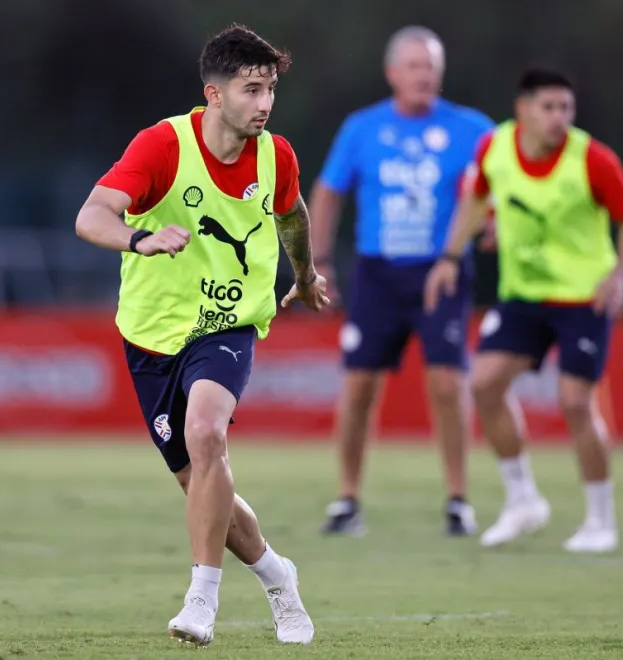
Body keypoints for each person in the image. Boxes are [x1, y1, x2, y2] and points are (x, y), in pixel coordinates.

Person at [75, 24, 326, 646]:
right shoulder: (162, 146)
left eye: (270, 89)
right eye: (250, 89)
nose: (264, 103)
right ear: (214, 94)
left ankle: (201, 599)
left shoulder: (277, 155)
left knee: (207, 430)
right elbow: (90, 216)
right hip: (152, 336)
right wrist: (142, 238)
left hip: (229, 324)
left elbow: (291, 213)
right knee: (204, 482)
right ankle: (276, 576)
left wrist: (308, 275)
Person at [424, 68, 623, 554]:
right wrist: (449, 255)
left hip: (581, 299)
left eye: (566, 108)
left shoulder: (591, 158)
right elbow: (476, 198)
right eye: (548, 108)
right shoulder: (495, 148)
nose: (559, 118)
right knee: (483, 383)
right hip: (523, 295)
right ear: (523, 109)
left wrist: (619, 275)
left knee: (574, 402)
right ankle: (523, 498)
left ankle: (600, 520)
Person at [309, 26, 496, 537]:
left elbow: (501, 190)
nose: (424, 75)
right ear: (393, 73)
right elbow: (327, 194)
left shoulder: (474, 128)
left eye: (431, 66)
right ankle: (347, 500)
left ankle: (458, 500)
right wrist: (318, 261)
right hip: (378, 273)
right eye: (414, 66)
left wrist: (495, 224)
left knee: (447, 382)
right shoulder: (362, 128)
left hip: (443, 270)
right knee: (358, 386)